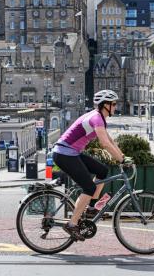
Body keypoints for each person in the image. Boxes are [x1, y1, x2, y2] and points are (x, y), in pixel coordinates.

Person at [52, 89, 133, 241]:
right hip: (64, 154)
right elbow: (104, 144)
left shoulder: (99, 118)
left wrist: (123, 157)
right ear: (105, 105)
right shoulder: (96, 118)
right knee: (89, 187)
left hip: (71, 152)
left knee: (102, 171)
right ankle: (72, 224)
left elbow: (110, 141)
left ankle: (90, 208)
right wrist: (121, 161)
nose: (116, 107)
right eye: (114, 104)